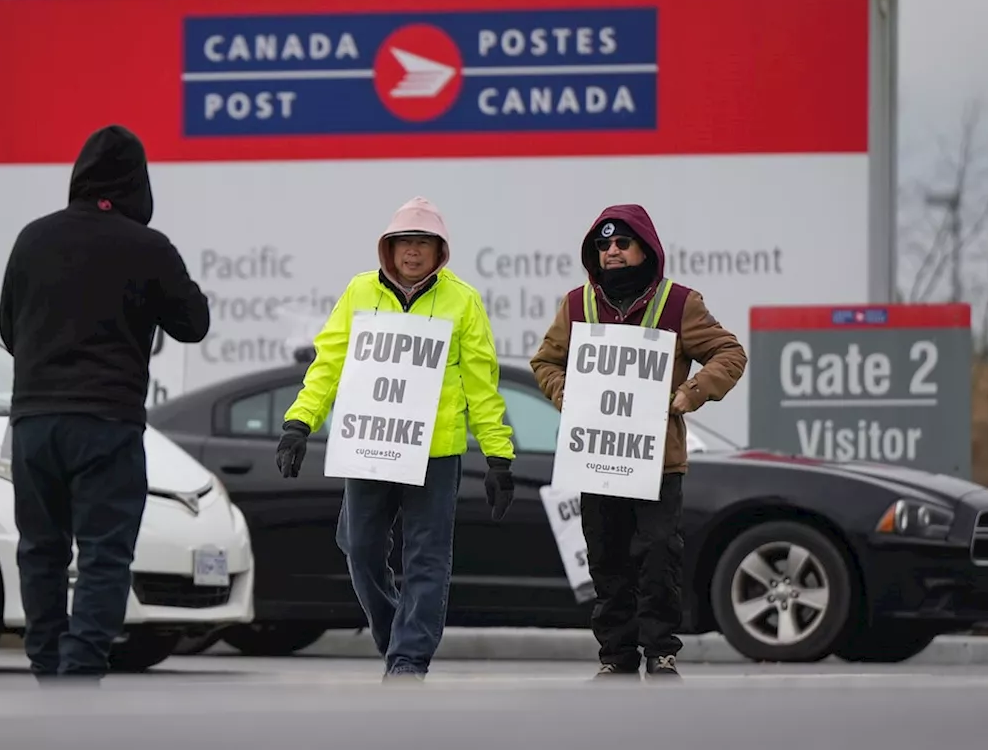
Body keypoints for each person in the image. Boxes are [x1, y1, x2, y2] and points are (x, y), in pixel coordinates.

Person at [0, 124, 210, 681]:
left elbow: (7, 328)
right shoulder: (148, 247)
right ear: (138, 184)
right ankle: (80, 672)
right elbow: (194, 324)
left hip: (35, 423)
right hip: (106, 424)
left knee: (40, 549)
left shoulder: (32, 239)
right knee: (103, 555)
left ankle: (46, 663)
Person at [275, 196, 516, 682]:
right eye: (404, 241)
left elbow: (481, 385)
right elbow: (329, 363)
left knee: (427, 558)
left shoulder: (462, 300)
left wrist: (498, 456)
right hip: (369, 445)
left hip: (436, 452)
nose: (412, 251)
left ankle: (409, 658)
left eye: (423, 243)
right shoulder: (360, 291)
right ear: (388, 247)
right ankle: (395, 637)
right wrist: (299, 423)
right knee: (360, 547)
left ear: (439, 250)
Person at [530, 205, 747, 681]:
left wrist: (690, 393)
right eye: (603, 245)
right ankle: (616, 657)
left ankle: (661, 653)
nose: (611, 252)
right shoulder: (577, 305)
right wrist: (566, 393)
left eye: (622, 244)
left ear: (645, 248)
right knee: (606, 558)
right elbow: (545, 362)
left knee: (657, 557)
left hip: (659, 462)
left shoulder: (679, 303)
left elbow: (730, 352)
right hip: (597, 457)